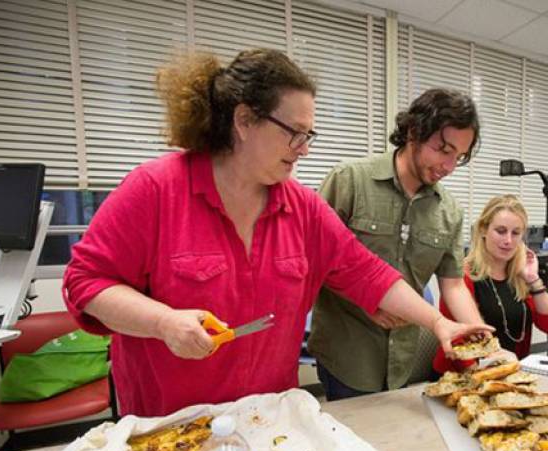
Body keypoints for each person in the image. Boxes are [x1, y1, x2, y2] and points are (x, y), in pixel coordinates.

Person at [62, 49, 490, 417]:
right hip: (170, 426)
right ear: (244, 120)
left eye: (309, 135)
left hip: (269, 420)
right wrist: (164, 322)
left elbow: (368, 273)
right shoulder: (155, 189)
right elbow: (85, 283)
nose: (304, 149)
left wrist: (438, 323)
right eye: (294, 134)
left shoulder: (302, 208)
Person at [307, 88, 486, 400]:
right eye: (443, 150)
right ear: (414, 132)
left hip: (403, 356)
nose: (449, 166)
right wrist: (367, 298)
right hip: (347, 352)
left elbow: (454, 285)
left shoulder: (449, 211)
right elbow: (313, 260)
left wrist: (481, 339)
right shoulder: (350, 180)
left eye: (458, 157)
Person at [432, 195, 548, 374]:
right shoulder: (460, 276)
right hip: (463, 375)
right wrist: (487, 376)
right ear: (483, 230)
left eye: (515, 233)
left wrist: (533, 280)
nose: (508, 240)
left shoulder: (519, 276)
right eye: (501, 231)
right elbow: (456, 339)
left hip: (510, 372)